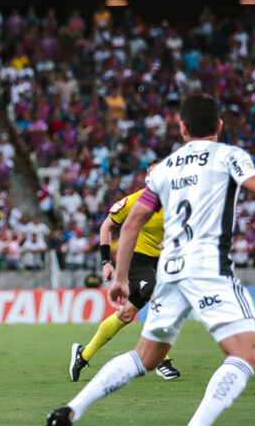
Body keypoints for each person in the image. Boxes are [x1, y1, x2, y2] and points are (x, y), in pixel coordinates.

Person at [40, 94, 255, 426]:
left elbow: (133, 220)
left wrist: (120, 276)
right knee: (244, 356)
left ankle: (70, 410)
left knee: (144, 357)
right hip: (207, 266)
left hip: (169, 268)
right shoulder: (229, 155)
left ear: (182, 128)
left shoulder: (166, 167)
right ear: (219, 126)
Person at [69, 161, 182, 382]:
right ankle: (162, 361)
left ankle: (83, 354)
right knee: (157, 295)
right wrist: (106, 262)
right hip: (136, 259)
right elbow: (106, 226)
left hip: (161, 262)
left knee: (127, 314)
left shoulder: (178, 200)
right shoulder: (134, 201)